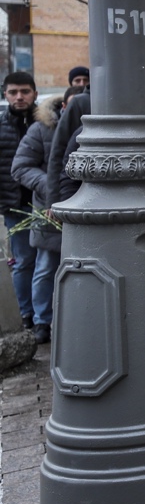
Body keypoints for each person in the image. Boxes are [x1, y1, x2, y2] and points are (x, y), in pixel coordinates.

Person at [11, 85, 86, 344]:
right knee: (45, 267)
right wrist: (52, 187)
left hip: (83, 209)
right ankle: (42, 321)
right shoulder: (41, 129)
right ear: (63, 106)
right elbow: (20, 167)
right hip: (50, 210)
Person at [0, 71, 39, 330]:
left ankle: (46, 315)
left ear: (34, 93)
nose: (19, 97)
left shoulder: (48, 121)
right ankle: (28, 316)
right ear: (5, 95)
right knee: (24, 261)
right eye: (13, 92)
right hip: (15, 205)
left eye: (24, 91)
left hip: (46, 203)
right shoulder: (1, 126)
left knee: (47, 261)